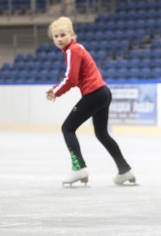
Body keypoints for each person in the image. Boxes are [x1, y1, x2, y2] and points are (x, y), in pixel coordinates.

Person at [45, 16, 136, 187]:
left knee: (67, 128)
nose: (59, 39)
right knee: (102, 134)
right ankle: (124, 170)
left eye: (62, 35)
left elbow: (71, 79)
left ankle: (78, 168)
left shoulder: (73, 50)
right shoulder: (74, 49)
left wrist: (57, 91)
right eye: (55, 36)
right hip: (102, 93)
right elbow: (74, 77)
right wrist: (57, 87)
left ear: (71, 34)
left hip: (94, 94)